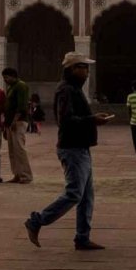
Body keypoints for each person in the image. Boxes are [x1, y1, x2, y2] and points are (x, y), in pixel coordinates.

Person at [24, 52, 109, 252]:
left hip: (80, 147)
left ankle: (82, 237)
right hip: (72, 148)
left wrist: (92, 118)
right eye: (83, 67)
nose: (87, 72)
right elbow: (66, 120)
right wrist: (92, 119)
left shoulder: (74, 89)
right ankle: (37, 220)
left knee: (86, 196)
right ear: (71, 69)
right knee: (74, 193)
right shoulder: (66, 90)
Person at [1, 67, 33, 184]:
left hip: (18, 121)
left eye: (6, 77)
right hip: (11, 123)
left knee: (19, 149)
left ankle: (26, 175)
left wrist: (15, 120)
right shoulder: (11, 87)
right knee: (12, 150)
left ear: (13, 76)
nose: (5, 80)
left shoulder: (21, 86)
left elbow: (22, 106)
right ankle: (17, 174)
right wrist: (6, 125)